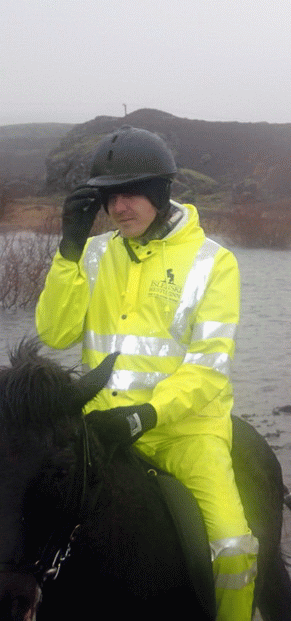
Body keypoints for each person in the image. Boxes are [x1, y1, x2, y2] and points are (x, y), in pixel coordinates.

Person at [35, 126, 257, 621]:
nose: (119, 208)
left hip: (185, 431)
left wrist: (144, 415)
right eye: (110, 197)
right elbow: (54, 332)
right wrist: (68, 251)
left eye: (132, 192)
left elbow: (208, 366)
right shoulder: (93, 257)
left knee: (233, 544)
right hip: (98, 427)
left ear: (161, 193)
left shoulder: (213, 263)